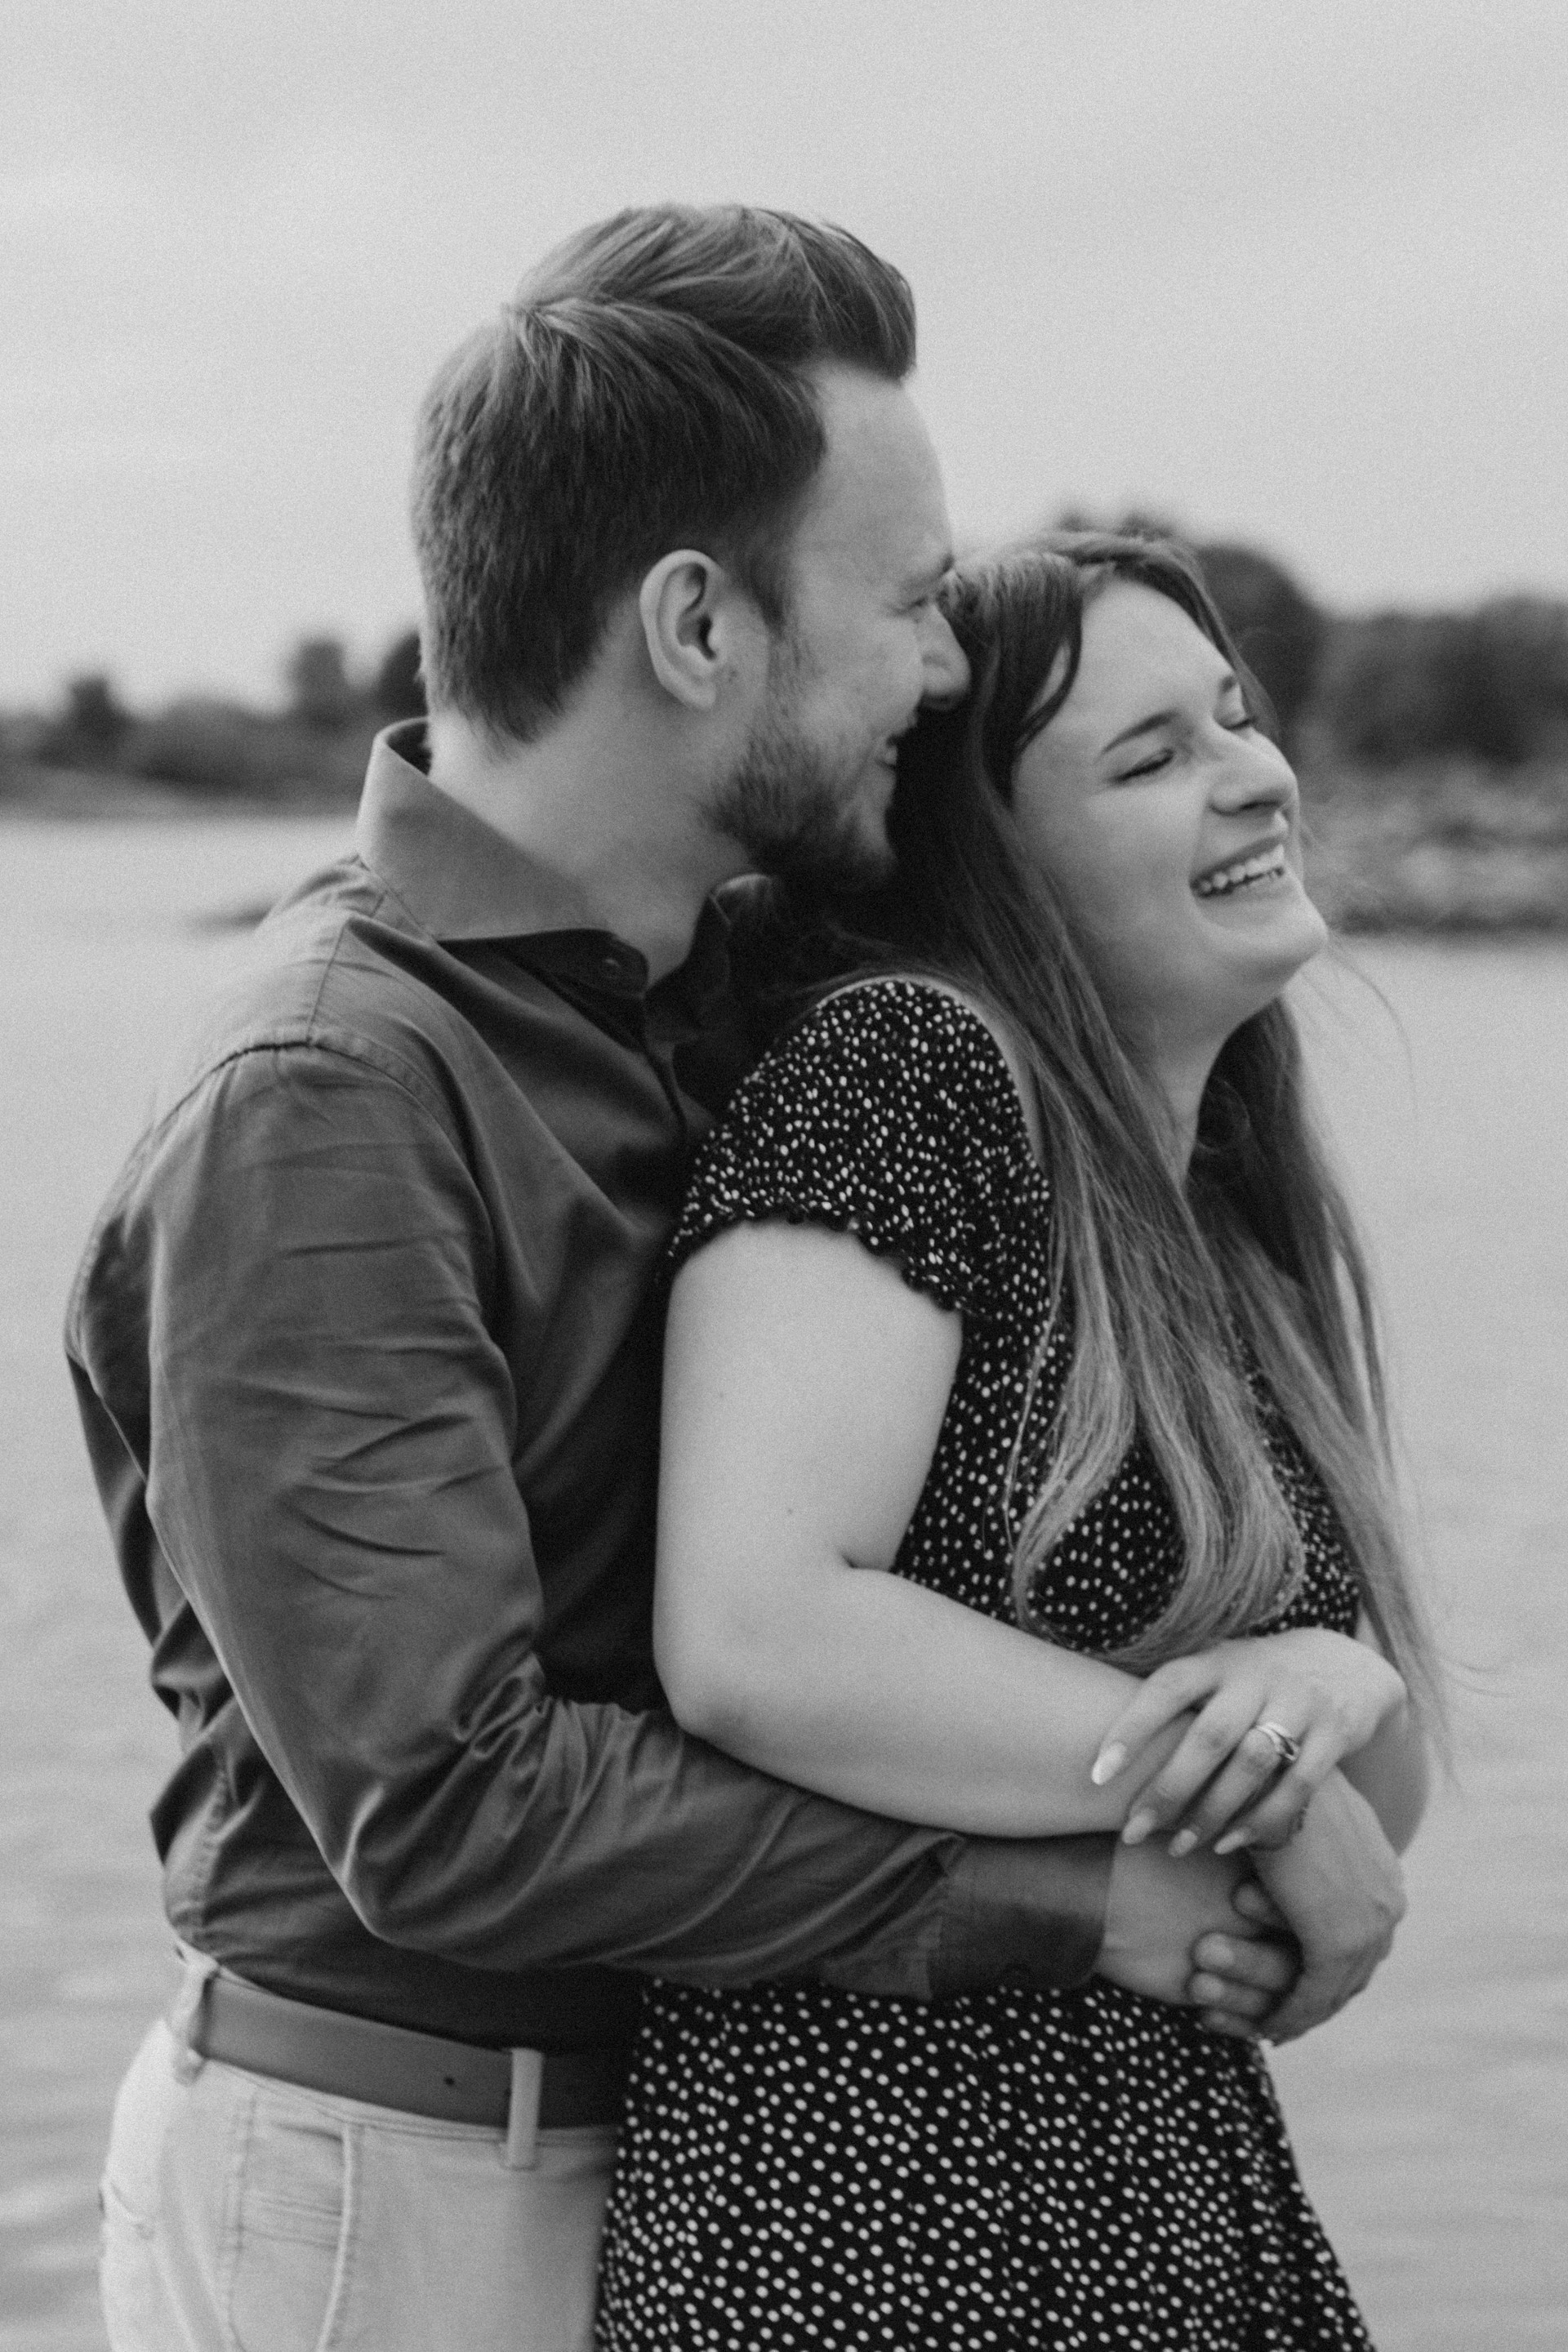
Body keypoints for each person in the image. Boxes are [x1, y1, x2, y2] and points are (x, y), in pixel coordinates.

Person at [65, 219, 1308, 2352]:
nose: (944, 673)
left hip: (666, 2157)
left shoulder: (733, 1003)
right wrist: (1079, 1893)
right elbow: (448, 1807)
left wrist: (1295, 1700)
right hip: (399, 2195)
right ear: (699, 625)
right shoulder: (332, 1095)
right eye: (908, 602)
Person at [595, 532, 1438, 2349]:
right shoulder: (909, 1070)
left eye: (1234, 716)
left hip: (1161, 2197)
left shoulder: (1212, 1206)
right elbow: (756, 1632)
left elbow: (1366, 1843)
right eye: (1152, 759)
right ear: (994, 863)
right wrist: (1266, 1788)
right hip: (881, 2221)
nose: (1256, 774)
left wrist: (1333, 1685)